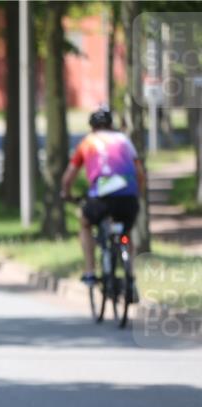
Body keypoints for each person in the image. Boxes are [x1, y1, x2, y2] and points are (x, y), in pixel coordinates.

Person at [61, 107, 145, 294]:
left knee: (84, 222)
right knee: (126, 232)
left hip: (101, 197)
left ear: (92, 127)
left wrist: (65, 193)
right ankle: (130, 277)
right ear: (111, 125)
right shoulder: (124, 140)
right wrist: (137, 194)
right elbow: (140, 173)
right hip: (128, 196)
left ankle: (90, 271)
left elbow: (68, 177)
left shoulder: (88, 142)